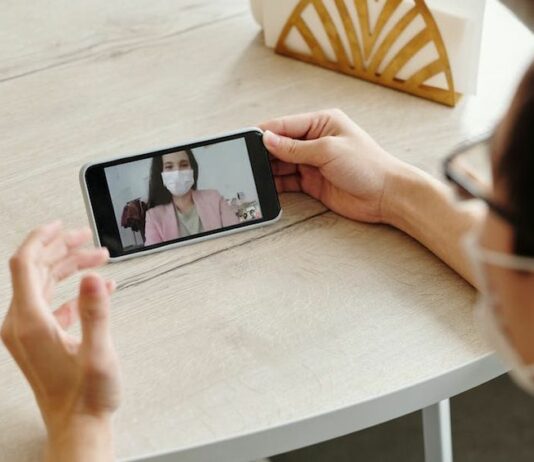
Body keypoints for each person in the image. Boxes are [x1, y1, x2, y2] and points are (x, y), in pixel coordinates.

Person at [2, 36, 533, 462]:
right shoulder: (160, 215)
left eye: (483, 182)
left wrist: (79, 422)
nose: (467, 202)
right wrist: (390, 191)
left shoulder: (212, 199)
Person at [144, 149, 239, 246]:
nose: (177, 173)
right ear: (160, 173)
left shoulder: (214, 198)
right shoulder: (153, 217)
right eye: (169, 167)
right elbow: (156, 254)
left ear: (193, 169)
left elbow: (237, 236)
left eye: (184, 165)